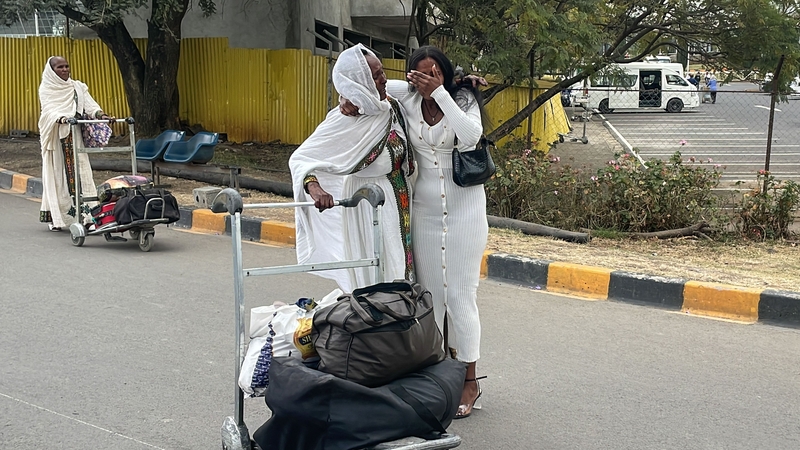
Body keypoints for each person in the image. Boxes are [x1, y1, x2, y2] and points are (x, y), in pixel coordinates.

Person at [342, 45, 488, 419]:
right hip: (423, 212)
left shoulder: (462, 98)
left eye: (434, 73)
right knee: (431, 298)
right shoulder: (406, 96)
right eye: (420, 74)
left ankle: (471, 380)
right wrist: (349, 100)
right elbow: (366, 83)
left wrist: (443, 90)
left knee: (460, 298)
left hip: (466, 211)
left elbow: (470, 136)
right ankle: (441, 375)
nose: (426, 80)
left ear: (445, 73)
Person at [289, 44, 415, 293]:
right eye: (376, 75)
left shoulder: (389, 107)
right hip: (366, 206)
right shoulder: (342, 120)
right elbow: (302, 159)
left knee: (401, 271)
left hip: (400, 200)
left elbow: (414, 87)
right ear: (360, 81)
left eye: (381, 72)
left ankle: (399, 326)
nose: (384, 79)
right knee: (377, 274)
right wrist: (314, 189)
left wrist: (460, 82)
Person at [38, 56, 115, 231]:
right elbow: (48, 111)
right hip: (56, 138)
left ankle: (88, 218)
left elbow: (90, 106)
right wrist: (62, 118)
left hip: (76, 136)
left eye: (66, 66)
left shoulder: (77, 87)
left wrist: (101, 115)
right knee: (58, 176)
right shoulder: (46, 88)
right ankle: (58, 217)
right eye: (60, 67)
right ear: (52, 70)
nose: (65, 69)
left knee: (83, 175)